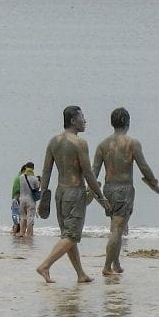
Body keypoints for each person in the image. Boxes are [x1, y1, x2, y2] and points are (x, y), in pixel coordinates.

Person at [36, 105, 111, 283]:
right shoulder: (79, 143)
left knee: (68, 236)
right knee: (71, 236)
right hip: (74, 192)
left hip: (59, 194)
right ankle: (45, 266)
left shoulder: (53, 141)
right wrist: (101, 197)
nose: (85, 120)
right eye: (82, 117)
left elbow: (46, 171)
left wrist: (43, 196)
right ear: (72, 120)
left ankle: (80, 274)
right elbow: (88, 173)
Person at [92, 107, 159, 276]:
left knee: (115, 226)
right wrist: (153, 183)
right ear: (128, 123)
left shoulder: (102, 144)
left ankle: (116, 263)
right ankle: (107, 266)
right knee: (118, 229)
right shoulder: (132, 143)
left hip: (108, 189)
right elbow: (143, 166)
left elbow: (94, 170)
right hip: (124, 190)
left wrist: (94, 192)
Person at [18, 163, 41, 237]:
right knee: (30, 218)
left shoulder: (21, 177)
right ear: (33, 168)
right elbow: (37, 189)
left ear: (26, 167)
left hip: (21, 199)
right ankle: (29, 234)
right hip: (30, 200)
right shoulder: (35, 179)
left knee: (22, 217)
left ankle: (21, 233)